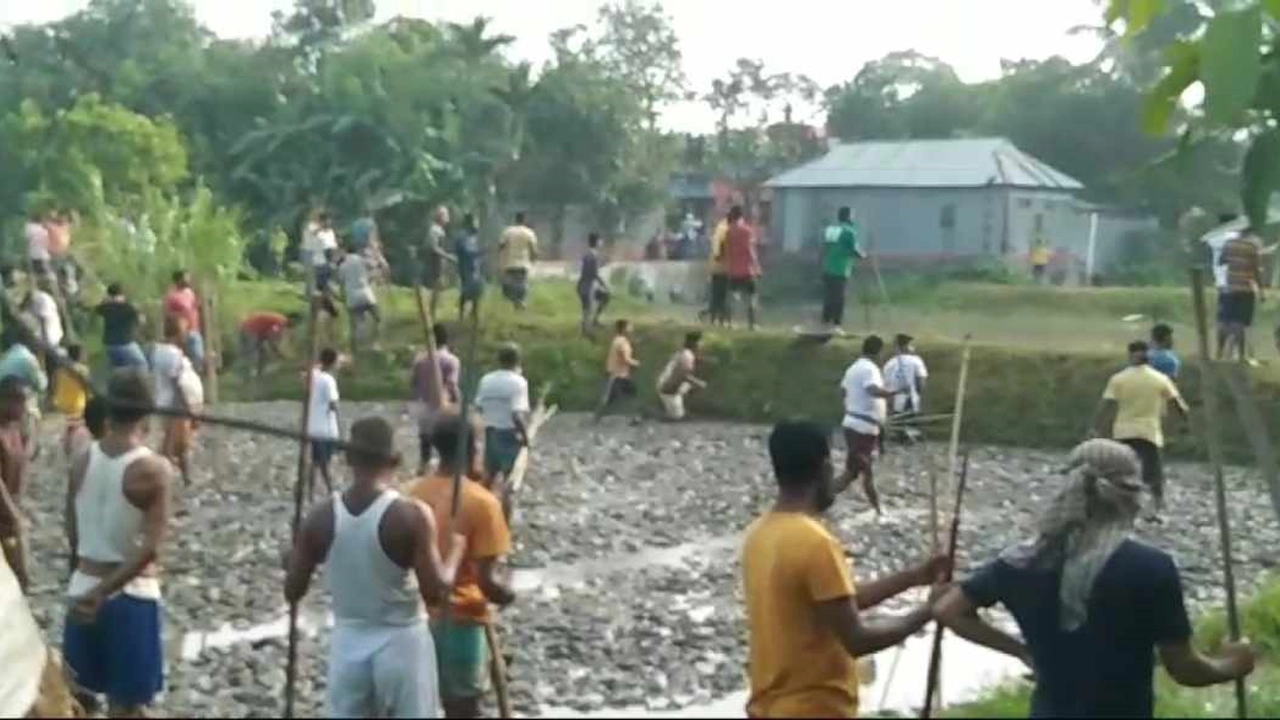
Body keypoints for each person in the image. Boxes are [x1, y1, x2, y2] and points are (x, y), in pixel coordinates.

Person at [933, 439, 1256, 719]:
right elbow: (1185, 669)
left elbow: (949, 610)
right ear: (1132, 495)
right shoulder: (1149, 567)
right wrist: (1233, 664)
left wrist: (1022, 650)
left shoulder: (1020, 561)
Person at [743, 419, 947, 719]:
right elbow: (857, 639)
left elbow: (840, 601)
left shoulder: (758, 535)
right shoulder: (815, 543)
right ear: (825, 468)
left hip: (767, 707)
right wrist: (929, 611)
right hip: (814, 709)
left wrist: (915, 577)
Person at [284, 416, 466, 718]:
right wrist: (456, 552)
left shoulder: (320, 518)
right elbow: (436, 592)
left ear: (349, 458)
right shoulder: (411, 516)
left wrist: (293, 559)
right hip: (403, 643)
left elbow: (292, 591)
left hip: (349, 645)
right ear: (393, 461)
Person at [63, 369, 174, 718]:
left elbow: (72, 530)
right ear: (147, 412)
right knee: (125, 706)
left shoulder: (81, 460)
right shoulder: (153, 469)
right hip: (129, 596)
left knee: (79, 701)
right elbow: (150, 549)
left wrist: (86, 585)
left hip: (82, 585)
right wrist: (105, 591)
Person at [404, 413, 517, 718]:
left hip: (411, 621)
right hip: (461, 621)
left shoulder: (409, 492)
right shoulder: (482, 502)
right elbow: (487, 583)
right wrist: (508, 595)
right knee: (464, 709)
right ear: (474, 448)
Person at [1092, 340, 1190, 518]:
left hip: (1123, 432)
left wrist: (1095, 428)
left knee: (1120, 471)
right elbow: (1179, 405)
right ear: (1148, 356)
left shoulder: (1119, 379)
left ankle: (1118, 507)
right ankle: (1156, 507)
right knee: (1153, 472)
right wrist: (1184, 424)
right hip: (1149, 433)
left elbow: (1105, 405)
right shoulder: (1160, 379)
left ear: (1130, 355)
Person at [840, 335, 901, 516]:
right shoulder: (869, 369)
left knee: (854, 472)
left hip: (857, 424)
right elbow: (872, 389)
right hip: (862, 428)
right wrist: (893, 393)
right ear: (878, 351)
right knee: (862, 471)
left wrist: (852, 405)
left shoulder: (853, 368)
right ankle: (879, 510)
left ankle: (820, 499)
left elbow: (843, 390)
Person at [152, 317, 201, 487]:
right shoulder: (172, 355)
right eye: (184, 331)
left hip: (167, 402)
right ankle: (158, 477)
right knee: (174, 444)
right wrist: (187, 408)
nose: (186, 335)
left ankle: (187, 478)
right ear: (176, 333)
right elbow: (178, 383)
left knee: (179, 443)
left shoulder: (160, 351)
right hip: (175, 404)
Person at [473, 344, 530, 482]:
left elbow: (478, 408)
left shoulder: (486, 380)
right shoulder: (519, 382)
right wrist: (526, 438)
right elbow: (516, 415)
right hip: (509, 434)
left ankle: (482, 495)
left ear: (498, 360)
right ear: (517, 361)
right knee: (509, 478)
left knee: (489, 475)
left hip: (489, 432)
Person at [411, 325, 461, 475]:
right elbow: (452, 385)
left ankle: (422, 471)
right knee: (447, 448)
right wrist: (459, 405)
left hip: (424, 407)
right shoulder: (451, 360)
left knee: (425, 445)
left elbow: (413, 382)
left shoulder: (420, 360)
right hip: (444, 408)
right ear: (447, 340)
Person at [0, 378, 31, 592]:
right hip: (6, 512)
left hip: (10, 513)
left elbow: (27, 458)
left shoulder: (16, 428)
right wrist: (13, 513)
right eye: (18, 401)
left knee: (20, 577)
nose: (23, 407)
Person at [1217, 226, 1265, 361]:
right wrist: (1261, 291)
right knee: (1239, 323)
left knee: (1224, 321)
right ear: (1250, 232)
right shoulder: (1252, 247)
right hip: (1245, 290)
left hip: (1228, 289)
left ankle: (1219, 352)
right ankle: (1241, 356)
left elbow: (1221, 261)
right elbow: (1256, 271)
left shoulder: (1228, 244)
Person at [821, 207, 864, 329]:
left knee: (829, 297)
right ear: (848, 216)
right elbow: (855, 250)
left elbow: (826, 247)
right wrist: (863, 255)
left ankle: (825, 322)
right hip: (840, 269)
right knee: (839, 298)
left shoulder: (830, 230)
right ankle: (836, 325)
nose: (854, 218)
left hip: (827, 268)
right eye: (853, 215)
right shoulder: (849, 231)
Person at [882, 334, 928, 443]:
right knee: (913, 431)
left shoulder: (889, 364)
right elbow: (921, 381)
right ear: (906, 346)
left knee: (897, 430)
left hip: (894, 402)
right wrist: (919, 396)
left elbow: (884, 385)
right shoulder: (916, 361)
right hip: (910, 402)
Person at [722, 205, 761, 330]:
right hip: (747, 270)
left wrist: (728, 267)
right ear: (742, 216)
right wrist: (757, 266)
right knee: (751, 297)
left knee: (733, 297)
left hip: (733, 271)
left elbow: (727, 252)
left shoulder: (729, 232)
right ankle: (752, 324)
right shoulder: (747, 231)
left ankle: (730, 322)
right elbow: (750, 250)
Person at [309, 348, 342, 496]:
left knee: (316, 462)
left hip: (313, 425)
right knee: (324, 462)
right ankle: (330, 490)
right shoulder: (328, 380)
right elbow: (333, 403)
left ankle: (310, 492)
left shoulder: (314, 376)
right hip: (326, 427)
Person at [338, 244, 382, 353]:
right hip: (366, 294)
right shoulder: (362, 260)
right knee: (377, 318)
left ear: (346, 252)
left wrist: (343, 299)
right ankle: (375, 343)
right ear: (356, 251)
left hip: (352, 297)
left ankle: (357, 348)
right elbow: (375, 265)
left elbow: (341, 284)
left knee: (356, 324)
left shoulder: (342, 266)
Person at [596, 319, 641, 420]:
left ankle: (635, 416)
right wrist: (636, 363)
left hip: (621, 374)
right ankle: (596, 417)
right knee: (609, 398)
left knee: (632, 394)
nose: (632, 328)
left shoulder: (618, 340)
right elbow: (626, 359)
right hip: (617, 375)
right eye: (629, 327)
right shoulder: (622, 342)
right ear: (624, 329)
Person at [657, 331, 707, 421]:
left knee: (678, 415)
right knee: (676, 417)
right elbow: (683, 375)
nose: (702, 344)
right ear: (694, 344)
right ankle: (650, 414)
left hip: (667, 384)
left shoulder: (684, 352)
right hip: (669, 388)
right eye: (700, 342)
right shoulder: (687, 356)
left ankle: (682, 410)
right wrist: (698, 383)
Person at [95, 284, 147, 369]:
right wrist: (138, 310)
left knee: (118, 368)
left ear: (109, 295)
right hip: (125, 342)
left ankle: (119, 377)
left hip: (109, 344)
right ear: (122, 294)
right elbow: (142, 321)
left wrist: (105, 300)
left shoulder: (105, 307)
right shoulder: (129, 307)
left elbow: (97, 309)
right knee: (141, 365)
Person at [164, 270, 204, 372]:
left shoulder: (190, 292)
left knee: (198, 357)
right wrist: (180, 317)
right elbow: (167, 313)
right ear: (179, 280)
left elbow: (195, 307)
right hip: (181, 333)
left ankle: (196, 377)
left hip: (194, 330)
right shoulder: (172, 295)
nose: (188, 280)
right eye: (186, 278)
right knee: (182, 361)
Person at [54, 344, 90, 458]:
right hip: (77, 404)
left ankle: (67, 447)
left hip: (62, 402)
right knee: (75, 427)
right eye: (83, 354)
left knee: (70, 426)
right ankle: (71, 449)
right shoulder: (82, 370)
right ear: (79, 355)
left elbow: (54, 384)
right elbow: (87, 387)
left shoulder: (60, 370)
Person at [498, 212, 538, 310]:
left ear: (515, 219)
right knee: (521, 284)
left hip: (509, 262)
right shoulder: (529, 232)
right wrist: (534, 259)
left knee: (510, 285)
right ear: (524, 220)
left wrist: (500, 258)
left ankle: (516, 302)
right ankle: (519, 302)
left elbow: (501, 246)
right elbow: (533, 249)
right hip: (523, 263)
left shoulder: (508, 231)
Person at [239, 311, 295, 381]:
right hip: (251, 328)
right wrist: (279, 354)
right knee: (254, 351)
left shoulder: (281, 320)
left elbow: (269, 336)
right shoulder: (280, 323)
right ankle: (252, 372)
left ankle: (259, 371)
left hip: (255, 327)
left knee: (262, 352)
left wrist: (277, 352)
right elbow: (271, 339)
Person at [425, 206, 457, 318]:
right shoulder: (434, 230)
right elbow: (434, 248)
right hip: (435, 263)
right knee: (436, 287)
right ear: (439, 217)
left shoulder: (440, 230)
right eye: (446, 215)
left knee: (439, 287)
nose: (448, 217)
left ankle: (433, 313)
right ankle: (431, 314)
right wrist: (449, 257)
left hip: (440, 263)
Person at [577, 233, 610, 336]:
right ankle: (585, 330)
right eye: (600, 240)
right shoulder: (592, 256)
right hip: (587, 286)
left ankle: (593, 322)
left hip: (585, 285)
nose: (602, 242)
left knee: (604, 297)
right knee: (587, 308)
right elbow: (595, 274)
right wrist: (604, 284)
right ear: (596, 242)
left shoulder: (589, 254)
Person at [455, 213, 484, 322]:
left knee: (476, 291)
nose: (477, 225)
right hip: (466, 269)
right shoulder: (463, 237)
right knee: (467, 291)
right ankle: (462, 315)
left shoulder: (472, 237)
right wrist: (481, 252)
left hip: (473, 268)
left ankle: (474, 316)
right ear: (469, 224)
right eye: (475, 222)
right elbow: (467, 252)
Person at [704, 214, 730, 326]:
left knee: (716, 296)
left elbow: (714, 255)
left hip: (717, 270)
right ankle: (721, 320)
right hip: (725, 270)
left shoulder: (718, 234)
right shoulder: (725, 232)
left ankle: (714, 319)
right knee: (723, 297)